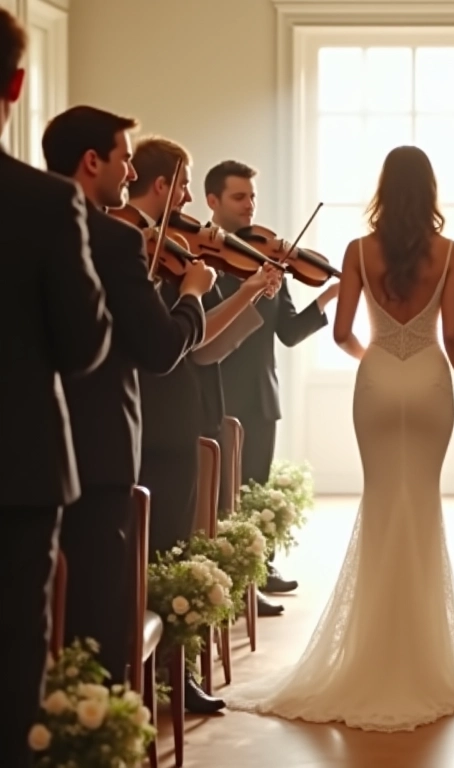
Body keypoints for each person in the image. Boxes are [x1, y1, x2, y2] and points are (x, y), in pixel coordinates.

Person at [225, 145, 454, 730]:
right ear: (430, 192)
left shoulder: (356, 251)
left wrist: (374, 357)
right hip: (428, 379)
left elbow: (342, 330)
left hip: (377, 380)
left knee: (379, 504)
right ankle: (424, 658)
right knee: (421, 505)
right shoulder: (451, 252)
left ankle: (373, 652)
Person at [40, 105, 214, 685]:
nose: (131, 173)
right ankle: (99, 720)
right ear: (93, 162)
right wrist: (191, 295)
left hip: (31, 442)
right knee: (96, 610)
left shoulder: (23, 220)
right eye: (124, 159)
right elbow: (161, 349)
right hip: (99, 444)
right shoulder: (114, 240)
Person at [127, 137, 276, 714]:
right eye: (185, 185)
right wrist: (192, 288)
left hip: (176, 416)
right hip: (155, 420)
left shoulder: (169, 248)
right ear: (163, 186)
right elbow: (169, 345)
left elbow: (198, 342)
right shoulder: (135, 246)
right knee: (158, 550)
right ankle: (162, 676)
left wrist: (245, 293)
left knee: (173, 549)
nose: (190, 200)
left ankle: (175, 672)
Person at [0, 9, 112, 765]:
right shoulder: (45, 203)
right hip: (17, 468)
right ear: (16, 83)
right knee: (12, 660)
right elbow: (84, 348)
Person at [206, 159, 339, 616]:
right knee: (223, 493)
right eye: (239, 197)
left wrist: (331, 295)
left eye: (252, 197)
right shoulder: (202, 257)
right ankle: (229, 583)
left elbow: (289, 331)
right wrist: (247, 288)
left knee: (254, 489)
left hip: (261, 392)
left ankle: (259, 570)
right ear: (213, 202)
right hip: (220, 388)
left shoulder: (267, 261)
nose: (249, 206)